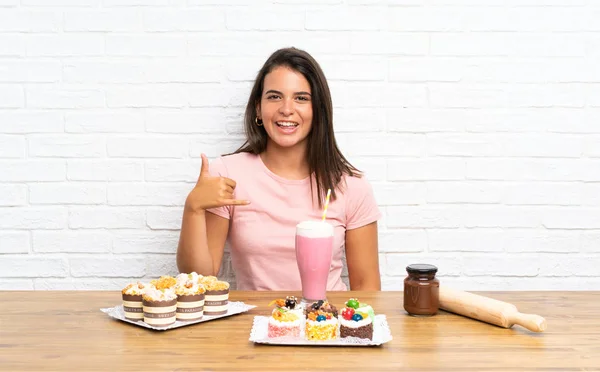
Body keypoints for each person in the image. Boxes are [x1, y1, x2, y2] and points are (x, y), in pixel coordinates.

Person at [177, 47, 381, 291]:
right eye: (274, 97)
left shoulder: (351, 186)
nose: (286, 109)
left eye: (301, 98)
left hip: (325, 325)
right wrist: (193, 209)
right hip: (255, 325)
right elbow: (199, 279)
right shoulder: (228, 175)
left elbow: (367, 289)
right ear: (258, 109)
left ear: (318, 110)